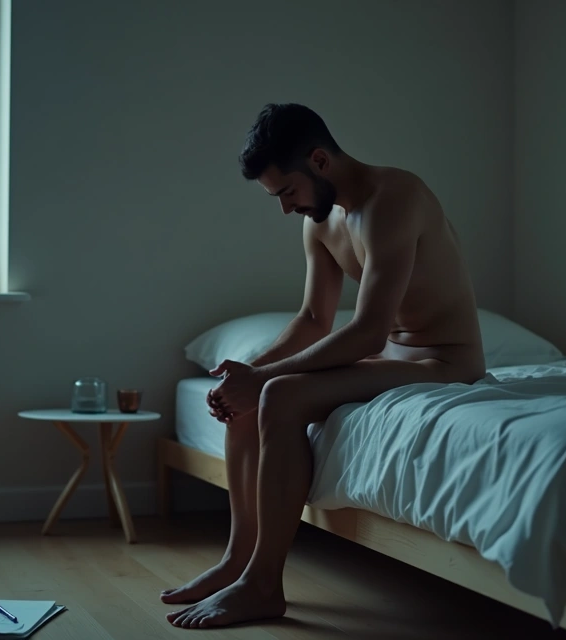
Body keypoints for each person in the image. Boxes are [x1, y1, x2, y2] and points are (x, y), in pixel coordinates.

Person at [162, 103, 487, 629]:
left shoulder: (394, 198)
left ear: (319, 160)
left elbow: (368, 331)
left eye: (287, 192)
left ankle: (263, 586)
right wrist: (245, 373)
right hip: (391, 358)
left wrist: (263, 380)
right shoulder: (322, 219)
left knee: (278, 396)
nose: (285, 209)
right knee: (247, 399)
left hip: (443, 360)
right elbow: (314, 318)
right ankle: (236, 561)